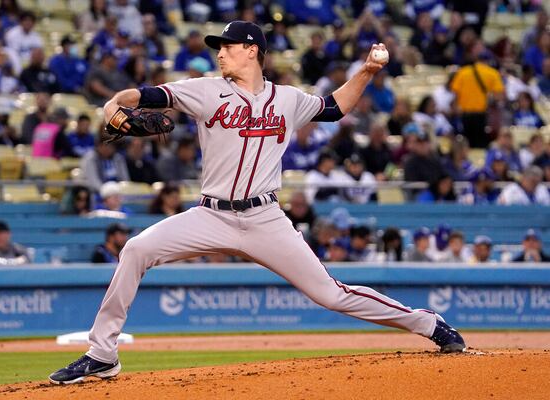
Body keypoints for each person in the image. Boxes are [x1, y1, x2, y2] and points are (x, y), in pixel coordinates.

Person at [50, 21, 465, 385]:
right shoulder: (204, 91)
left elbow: (335, 107)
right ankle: (103, 354)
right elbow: (139, 95)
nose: (220, 53)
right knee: (137, 248)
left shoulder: (287, 99)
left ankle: (427, 323)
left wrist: (369, 71)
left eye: (227, 46)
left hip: (266, 218)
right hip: (211, 215)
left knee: (330, 294)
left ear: (252, 50)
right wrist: (111, 106)